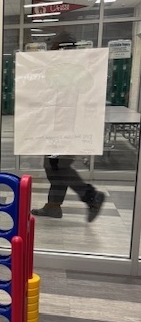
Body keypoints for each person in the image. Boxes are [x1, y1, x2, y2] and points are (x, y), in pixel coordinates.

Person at [31, 32, 105, 222]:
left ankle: (91, 196)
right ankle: (53, 206)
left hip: (64, 128)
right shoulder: (69, 69)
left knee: (57, 167)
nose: (51, 49)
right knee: (54, 167)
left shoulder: (67, 70)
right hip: (63, 126)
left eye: (54, 46)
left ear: (62, 48)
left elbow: (62, 102)